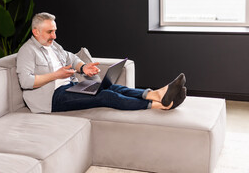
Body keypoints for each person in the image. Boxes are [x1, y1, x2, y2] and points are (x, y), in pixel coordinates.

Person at [16, 12, 186, 113]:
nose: (54, 36)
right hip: (52, 99)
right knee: (106, 96)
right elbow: (26, 81)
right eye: (49, 32)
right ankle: (158, 105)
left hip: (69, 87)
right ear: (36, 32)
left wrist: (83, 67)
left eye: (55, 31)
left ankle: (156, 93)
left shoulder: (53, 46)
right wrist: (56, 75)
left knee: (111, 87)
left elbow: (71, 58)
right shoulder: (27, 51)